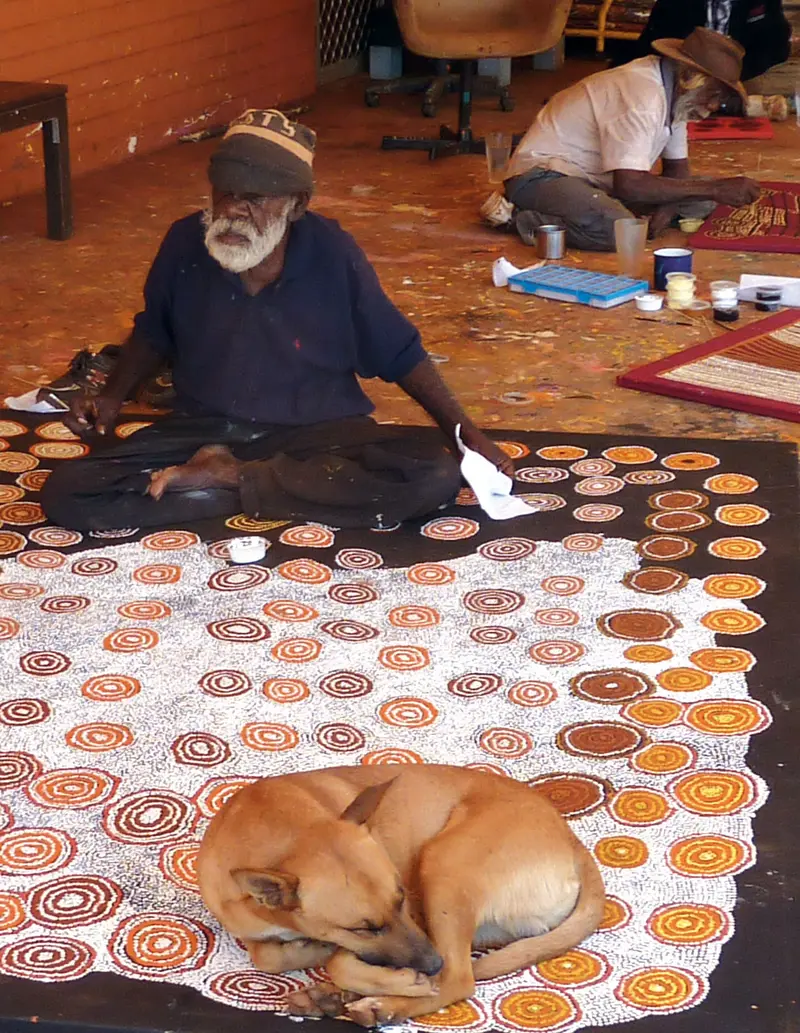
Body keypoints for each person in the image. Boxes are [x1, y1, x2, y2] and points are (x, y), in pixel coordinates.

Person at [42, 109, 512, 532]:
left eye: (254, 199)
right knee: (69, 490)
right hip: (204, 428)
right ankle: (257, 490)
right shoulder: (185, 244)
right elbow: (153, 331)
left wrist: (467, 434)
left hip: (315, 431)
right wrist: (111, 396)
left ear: (297, 205)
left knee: (432, 475)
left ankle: (226, 483)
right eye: (223, 194)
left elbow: (400, 351)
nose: (231, 211)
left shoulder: (332, 253)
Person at [482, 28, 762, 252]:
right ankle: (519, 218)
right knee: (620, 231)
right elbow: (630, 185)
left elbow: (678, 171)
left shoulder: (676, 95)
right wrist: (714, 189)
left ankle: (595, 209)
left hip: (597, 181)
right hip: (540, 176)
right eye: (712, 95)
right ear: (691, 79)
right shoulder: (643, 95)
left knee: (703, 200)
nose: (713, 106)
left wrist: (670, 207)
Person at [628, 0, 791, 84]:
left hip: (742, 76)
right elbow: (657, 41)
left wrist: (734, 75)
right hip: (682, 76)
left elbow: (776, 46)